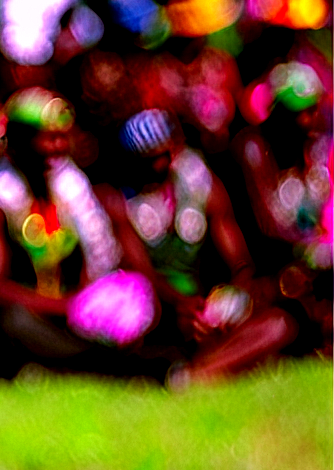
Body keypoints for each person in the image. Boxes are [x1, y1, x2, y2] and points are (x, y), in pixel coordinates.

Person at [0, 87, 157, 379]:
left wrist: (92, 302)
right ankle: (98, 364)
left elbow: (98, 255)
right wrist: (62, 307)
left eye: (61, 138)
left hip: (71, 309)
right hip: (29, 310)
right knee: (12, 322)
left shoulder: (70, 185)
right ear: (18, 141)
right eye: (47, 138)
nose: (57, 148)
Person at [115, 109, 298, 386]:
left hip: (201, 308)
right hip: (157, 314)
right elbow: (141, 273)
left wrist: (230, 299)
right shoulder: (119, 201)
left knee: (278, 326)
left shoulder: (202, 188)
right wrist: (182, 304)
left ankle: (195, 376)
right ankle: (215, 368)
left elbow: (239, 261)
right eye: (149, 159)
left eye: (165, 155)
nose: (159, 165)